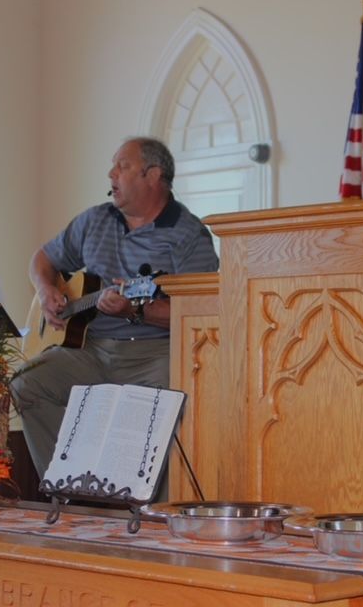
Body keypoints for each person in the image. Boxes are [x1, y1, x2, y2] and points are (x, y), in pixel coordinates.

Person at [11, 137, 219, 491]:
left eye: (122, 166)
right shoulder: (95, 221)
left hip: (155, 353)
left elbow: (203, 313)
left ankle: (155, 508)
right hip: (90, 349)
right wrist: (47, 291)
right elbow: (41, 260)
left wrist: (136, 310)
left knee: (168, 402)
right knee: (26, 384)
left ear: (153, 175)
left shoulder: (188, 234)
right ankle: (72, 489)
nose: (111, 173)